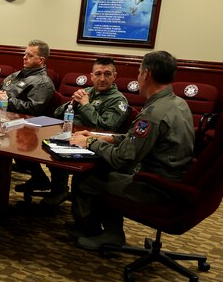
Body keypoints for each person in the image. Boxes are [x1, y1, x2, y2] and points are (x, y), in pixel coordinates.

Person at [68, 51, 194, 250]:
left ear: (147, 75)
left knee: (88, 180)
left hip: (156, 186)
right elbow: (136, 140)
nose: (138, 76)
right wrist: (103, 137)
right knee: (102, 172)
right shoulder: (178, 103)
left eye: (138, 71)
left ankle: (99, 232)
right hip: (174, 178)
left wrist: (91, 142)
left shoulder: (153, 114)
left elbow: (122, 159)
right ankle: (106, 230)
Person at [22, 57, 131, 203]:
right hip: (71, 136)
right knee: (30, 142)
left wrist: (86, 105)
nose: (102, 78)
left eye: (107, 74)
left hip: (93, 144)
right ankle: (56, 187)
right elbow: (57, 114)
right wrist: (72, 103)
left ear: (114, 76)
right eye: (98, 74)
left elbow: (106, 127)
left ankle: (59, 192)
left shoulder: (118, 100)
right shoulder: (87, 91)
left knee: (54, 151)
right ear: (91, 76)